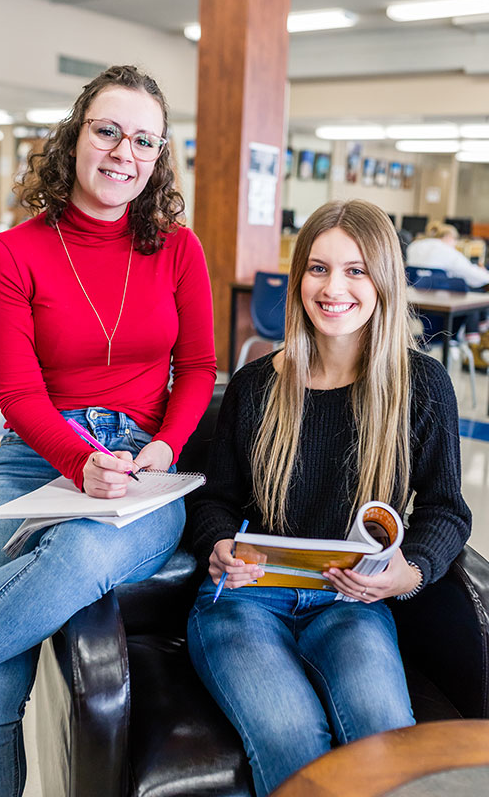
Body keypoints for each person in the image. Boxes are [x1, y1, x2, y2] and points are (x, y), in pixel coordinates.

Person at [0, 64, 216, 797]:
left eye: (143, 140)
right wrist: (78, 461)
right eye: (107, 130)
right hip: (34, 455)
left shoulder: (179, 250)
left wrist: (160, 450)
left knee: (79, 550)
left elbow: (196, 368)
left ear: (158, 156)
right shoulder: (9, 256)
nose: (122, 152)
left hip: (142, 463)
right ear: (75, 136)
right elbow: (17, 395)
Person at [187, 200, 471, 797]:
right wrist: (218, 546)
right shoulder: (257, 384)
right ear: (298, 280)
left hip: (351, 602)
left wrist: (410, 572)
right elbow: (217, 500)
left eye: (355, 270)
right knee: (293, 738)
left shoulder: (421, 387)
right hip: (245, 600)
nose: (332, 287)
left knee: (386, 739)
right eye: (317, 268)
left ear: (383, 280)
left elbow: (446, 509)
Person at [406, 220, 489, 364]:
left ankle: (472, 344)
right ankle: (474, 344)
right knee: (473, 299)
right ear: (450, 237)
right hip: (444, 317)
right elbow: (476, 277)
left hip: (418, 309)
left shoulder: (414, 246)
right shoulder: (447, 250)